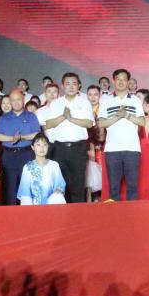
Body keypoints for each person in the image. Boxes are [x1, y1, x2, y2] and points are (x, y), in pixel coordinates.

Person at [38, 73, 94, 203]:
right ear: (63, 86)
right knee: (60, 184)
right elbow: (49, 124)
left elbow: (89, 123)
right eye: (67, 84)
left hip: (78, 148)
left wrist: (71, 118)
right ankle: (64, 212)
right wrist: (63, 117)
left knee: (78, 184)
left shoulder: (84, 102)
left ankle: (78, 213)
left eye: (74, 83)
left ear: (79, 85)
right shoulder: (56, 103)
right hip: (59, 149)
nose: (71, 87)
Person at [97, 69, 146, 200]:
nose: (121, 82)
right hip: (112, 149)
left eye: (124, 79)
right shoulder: (106, 100)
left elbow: (142, 122)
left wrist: (126, 115)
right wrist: (118, 117)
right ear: (113, 81)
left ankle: (132, 212)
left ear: (128, 82)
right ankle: (115, 213)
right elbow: (101, 123)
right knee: (114, 188)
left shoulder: (135, 100)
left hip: (132, 149)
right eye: (118, 79)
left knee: (132, 187)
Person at [0, 89, 41, 204]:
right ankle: (11, 212)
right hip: (9, 155)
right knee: (10, 187)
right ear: (10, 102)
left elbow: (37, 134)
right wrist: (12, 138)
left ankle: (29, 212)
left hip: (27, 154)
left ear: (23, 100)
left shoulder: (31, 116)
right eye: (13, 100)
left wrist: (22, 137)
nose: (16, 102)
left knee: (28, 186)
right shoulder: (4, 118)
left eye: (18, 99)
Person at [17, 134, 66, 205]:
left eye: (45, 145)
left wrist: (59, 190)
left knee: (58, 197)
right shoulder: (28, 167)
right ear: (33, 147)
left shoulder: (54, 165)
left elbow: (60, 184)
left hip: (51, 204)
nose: (42, 148)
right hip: (33, 205)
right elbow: (25, 191)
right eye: (38, 145)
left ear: (48, 147)